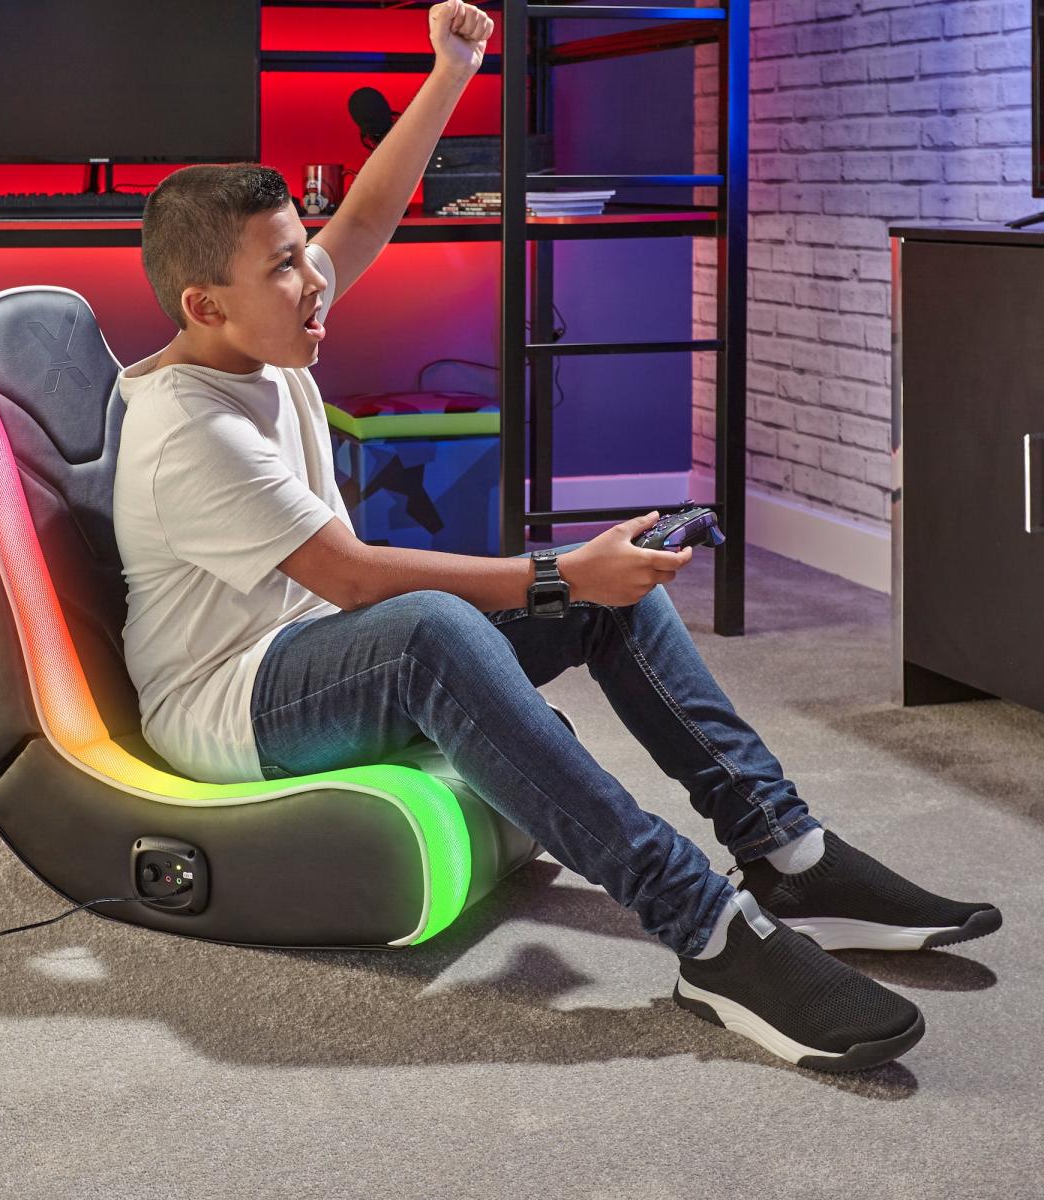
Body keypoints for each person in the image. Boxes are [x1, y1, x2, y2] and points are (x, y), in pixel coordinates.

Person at [113, 0, 1002, 1074]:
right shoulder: (189, 430)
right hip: (232, 702)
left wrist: (451, 69)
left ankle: (790, 854)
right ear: (206, 305)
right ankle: (709, 933)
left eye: (305, 254)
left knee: (604, 594)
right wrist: (560, 570)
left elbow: (372, 217)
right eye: (287, 269)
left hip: (308, 650)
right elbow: (350, 581)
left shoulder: (263, 333)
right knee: (438, 625)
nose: (315, 282)